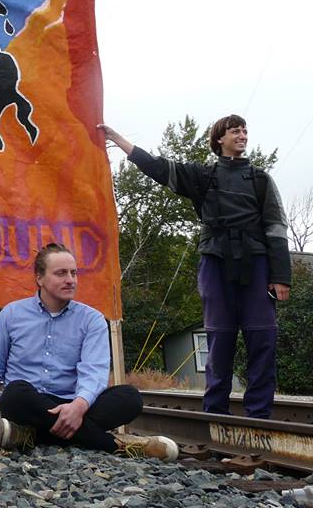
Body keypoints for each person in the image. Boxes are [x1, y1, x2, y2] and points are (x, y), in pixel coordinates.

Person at [100, 117, 290, 419]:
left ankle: (259, 419)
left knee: (262, 341)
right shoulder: (203, 175)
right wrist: (119, 140)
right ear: (219, 139)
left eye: (244, 130)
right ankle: (215, 418)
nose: (241, 135)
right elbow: (158, 168)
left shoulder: (260, 179)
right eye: (234, 131)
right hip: (215, 263)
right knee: (219, 343)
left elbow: (276, 227)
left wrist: (281, 276)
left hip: (256, 265)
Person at [0, 243, 178, 460]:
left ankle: (32, 435)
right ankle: (116, 445)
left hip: (74, 402)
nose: (70, 280)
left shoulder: (92, 319)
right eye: (61, 273)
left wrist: (79, 406)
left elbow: (94, 371)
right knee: (13, 395)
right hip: (30, 402)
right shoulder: (11, 314)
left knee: (130, 398)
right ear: (40, 278)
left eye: (74, 273)